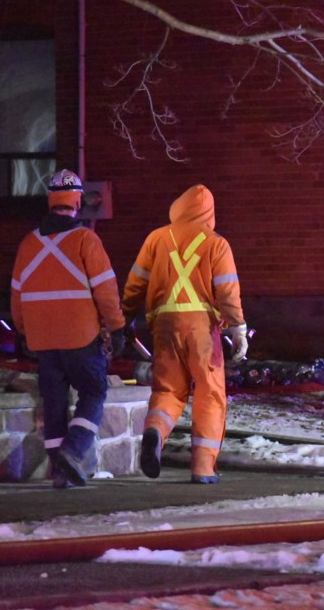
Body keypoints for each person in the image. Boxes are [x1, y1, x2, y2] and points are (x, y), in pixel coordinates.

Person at [122, 184, 248, 485]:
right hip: (202, 329)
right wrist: (238, 329)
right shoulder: (217, 244)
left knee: (167, 390)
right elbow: (228, 291)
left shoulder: (156, 238)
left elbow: (135, 283)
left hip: (164, 325)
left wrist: (123, 316)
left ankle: (155, 431)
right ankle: (203, 468)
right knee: (210, 393)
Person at [10, 169, 126, 488]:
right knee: (93, 391)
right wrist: (116, 328)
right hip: (81, 337)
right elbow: (105, 290)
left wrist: (23, 331)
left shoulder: (27, 245)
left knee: (55, 404)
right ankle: (73, 452)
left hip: (43, 341)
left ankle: (60, 473)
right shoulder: (85, 240)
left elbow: (17, 295)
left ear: (50, 201)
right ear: (77, 202)